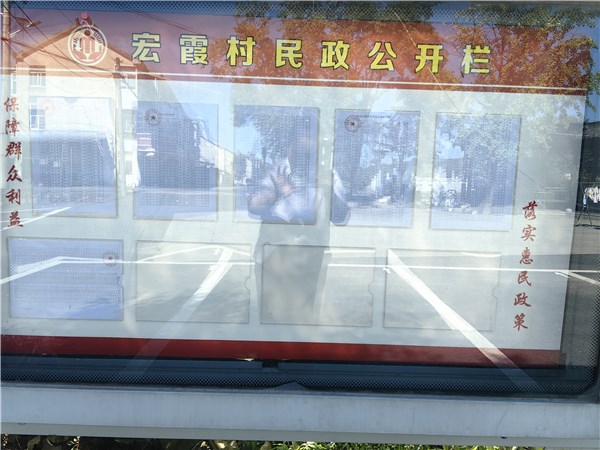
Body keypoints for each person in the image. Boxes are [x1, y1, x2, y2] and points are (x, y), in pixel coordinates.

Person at [247, 145, 350, 324]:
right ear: (289, 148)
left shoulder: (328, 174)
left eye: (309, 149)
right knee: (270, 322)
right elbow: (254, 206)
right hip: (272, 258)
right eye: (299, 148)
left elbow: (341, 218)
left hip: (311, 259)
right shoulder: (277, 170)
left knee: (305, 322)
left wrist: (330, 191)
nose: (304, 154)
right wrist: (278, 192)